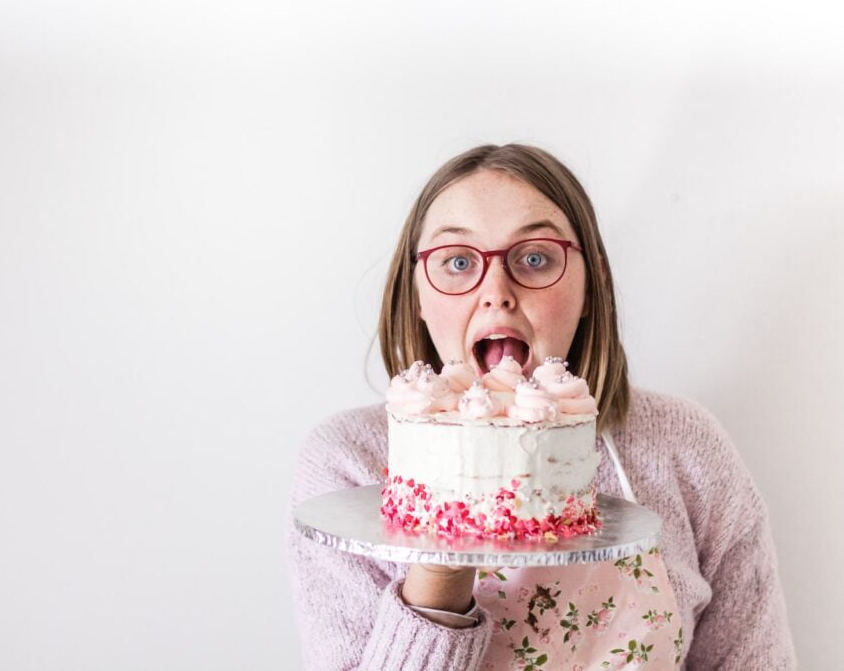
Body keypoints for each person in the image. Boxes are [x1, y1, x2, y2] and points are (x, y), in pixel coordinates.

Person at [285, 144, 797, 669]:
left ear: (592, 280)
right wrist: (446, 542)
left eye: (534, 257)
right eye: (457, 262)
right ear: (416, 292)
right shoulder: (346, 463)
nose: (496, 292)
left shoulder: (685, 446)